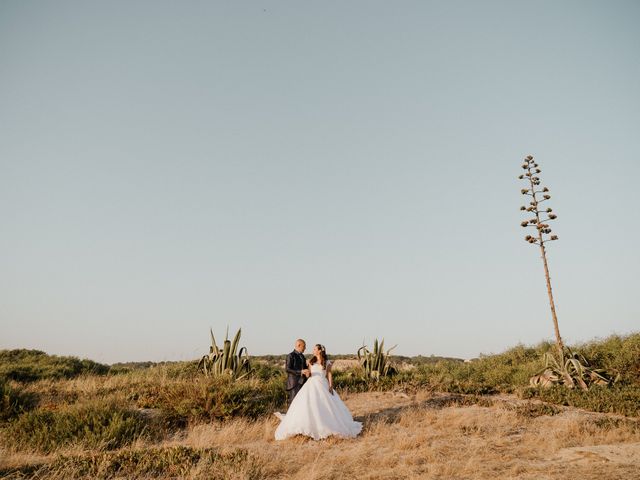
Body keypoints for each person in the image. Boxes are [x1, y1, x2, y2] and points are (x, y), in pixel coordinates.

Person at [275, 344, 362, 440]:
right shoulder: (311, 361)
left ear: (320, 351)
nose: (313, 350)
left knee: (325, 404)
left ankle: (327, 424)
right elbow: (309, 374)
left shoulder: (326, 362)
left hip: (322, 384)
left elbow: (329, 374)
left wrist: (330, 385)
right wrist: (307, 374)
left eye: (315, 349)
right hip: (311, 384)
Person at [285, 338, 310, 404]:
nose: (305, 348)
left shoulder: (302, 356)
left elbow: (304, 368)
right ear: (299, 345)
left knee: (301, 403)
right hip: (294, 383)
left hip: (303, 382)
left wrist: (309, 367)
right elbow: (287, 369)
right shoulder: (290, 355)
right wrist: (300, 372)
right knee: (293, 403)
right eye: (304, 346)